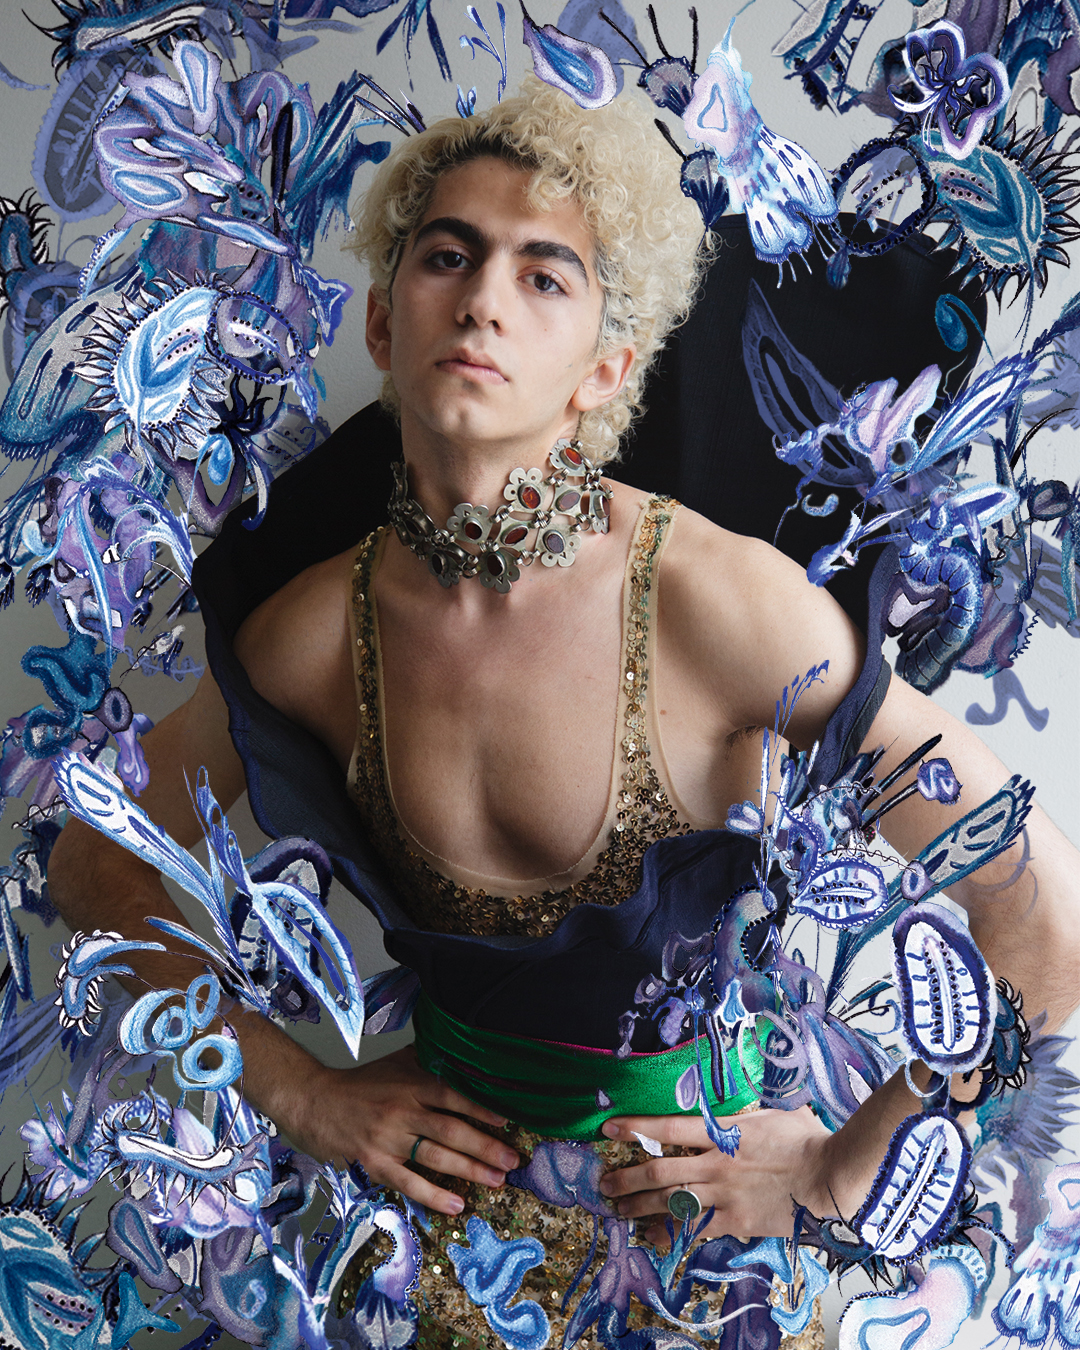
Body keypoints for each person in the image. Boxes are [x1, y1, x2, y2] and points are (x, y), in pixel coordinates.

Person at [47, 78, 1080, 1346]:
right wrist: (301, 1092)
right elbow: (94, 861)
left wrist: (842, 1173)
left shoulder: (722, 607)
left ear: (607, 367)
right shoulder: (311, 634)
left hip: (708, 1268)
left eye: (544, 275)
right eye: (448, 256)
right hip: (435, 1262)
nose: (483, 299)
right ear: (382, 320)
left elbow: (1046, 921)